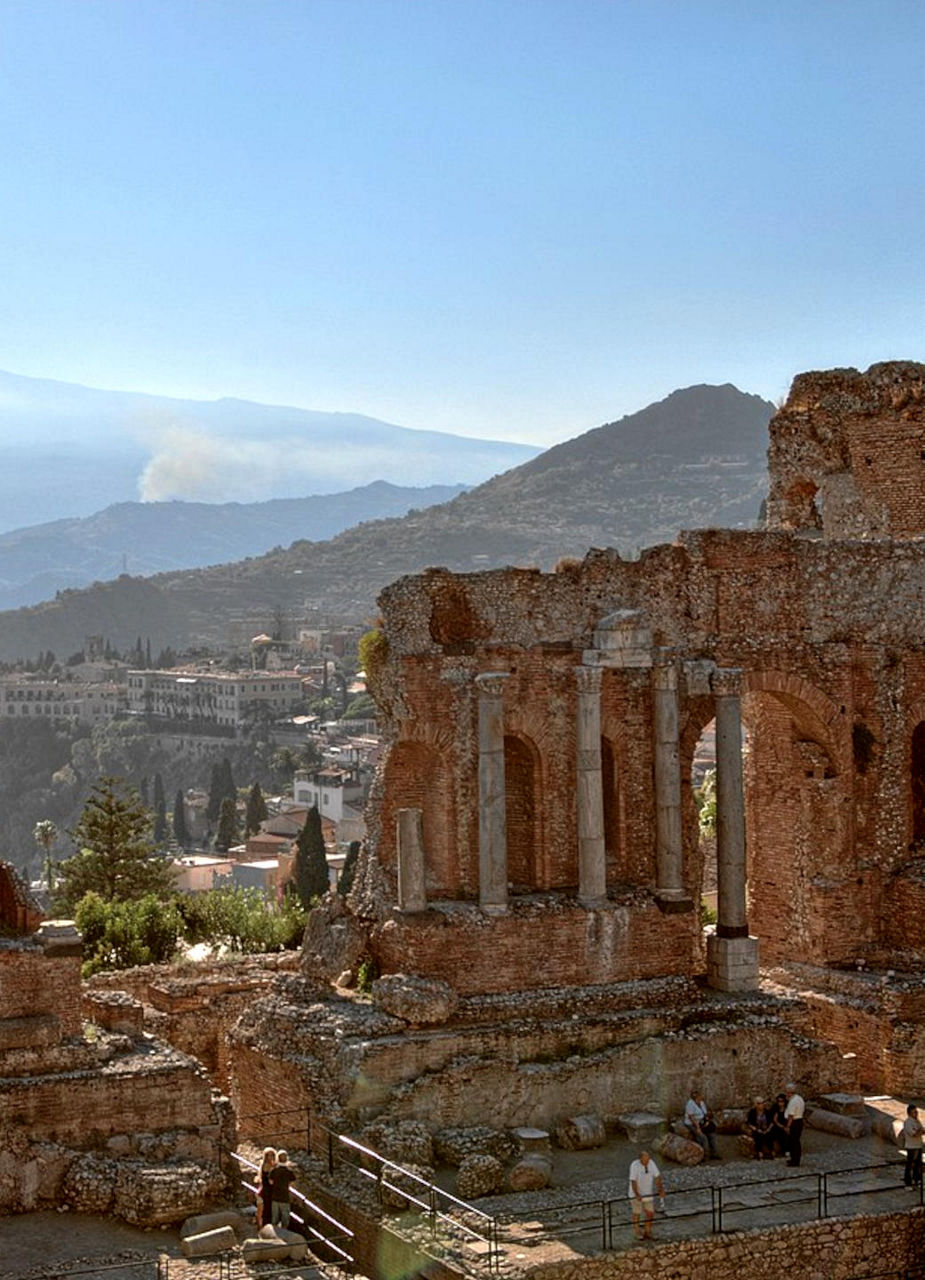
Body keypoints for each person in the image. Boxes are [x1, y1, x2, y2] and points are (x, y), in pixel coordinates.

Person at [628, 1150, 665, 1241]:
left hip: (648, 1193)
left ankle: (647, 1231)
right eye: (645, 1160)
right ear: (640, 1159)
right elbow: (633, 1181)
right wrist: (637, 1194)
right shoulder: (634, 1165)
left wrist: (660, 1190)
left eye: (648, 1159)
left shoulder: (651, 1163)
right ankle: (637, 1231)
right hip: (636, 1193)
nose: (647, 1162)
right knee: (637, 1213)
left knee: (650, 1213)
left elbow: (657, 1177)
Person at [684, 1088, 719, 1159]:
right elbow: (692, 1117)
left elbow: (705, 1113)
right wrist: (698, 1128)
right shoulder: (690, 1104)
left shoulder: (702, 1103)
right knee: (702, 1137)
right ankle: (702, 1155)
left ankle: (714, 1153)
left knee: (712, 1134)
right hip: (692, 1123)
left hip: (702, 1121)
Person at [269, 1149, 297, 1228]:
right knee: (285, 1218)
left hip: (275, 1196)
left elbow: (271, 1182)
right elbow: (292, 1182)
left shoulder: (274, 1170)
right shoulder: (289, 1171)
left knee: (275, 1218)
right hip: (285, 1197)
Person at [901, 1103, 923, 1189]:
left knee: (918, 1165)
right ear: (910, 1113)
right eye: (914, 1112)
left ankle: (916, 1180)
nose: (916, 1113)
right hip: (911, 1147)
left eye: (917, 1112)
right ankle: (908, 1183)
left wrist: (920, 1131)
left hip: (918, 1145)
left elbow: (921, 1130)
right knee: (909, 1165)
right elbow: (914, 1134)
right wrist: (919, 1131)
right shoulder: (908, 1122)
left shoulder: (917, 1121)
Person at [783, 1083, 805, 1167]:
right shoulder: (799, 1099)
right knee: (796, 1141)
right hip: (799, 1121)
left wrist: (788, 1126)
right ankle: (796, 1159)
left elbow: (791, 1115)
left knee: (793, 1142)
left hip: (794, 1122)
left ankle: (794, 1160)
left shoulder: (793, 1101)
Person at [256, 1147, 276, 1228]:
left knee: (268, 1208)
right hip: (267, 1191)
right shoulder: (267, 1166)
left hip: (268, 1190)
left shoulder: (269, 1165)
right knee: (267, 1208)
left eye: (272, 1155)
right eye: (268, 1155)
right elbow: (271, 1180)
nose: (270, 1157)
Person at [769, 1093, 789, 1158]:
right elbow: (775, 1120)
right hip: (777, 1126)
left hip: (785, 1125)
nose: (780, 1103)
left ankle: (786, 1150)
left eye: (782, 1101)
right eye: (779, 1101)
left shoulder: (787, 1109)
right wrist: (782, 1127)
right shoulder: (775, 1109)